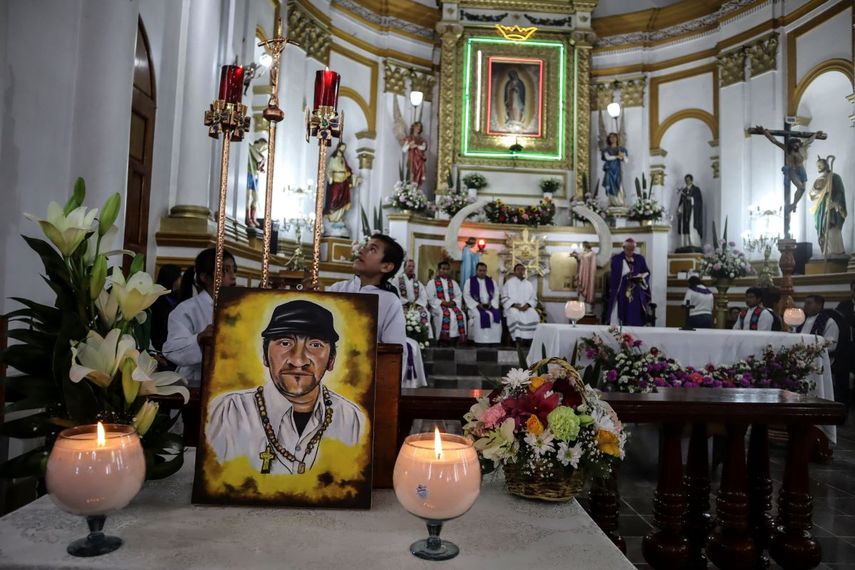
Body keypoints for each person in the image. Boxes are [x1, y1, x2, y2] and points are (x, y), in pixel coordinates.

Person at [206, 300, 367, 474]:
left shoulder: (352, 419)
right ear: (266, 356)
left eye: (315, 345)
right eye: (284, 343)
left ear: (331, 360)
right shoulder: (227, 412)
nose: (298, 361)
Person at [163, 248, 237, 386]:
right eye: (225, 270)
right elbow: (171, 349)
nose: (233, 277)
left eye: (234, 270)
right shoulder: (187, 309)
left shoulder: (238, 308)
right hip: (195, 382)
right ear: (205, 277)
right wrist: (198, 339)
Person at [327, 234, 406, 347]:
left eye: (372, 249)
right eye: (365, 246)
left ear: (386, 267)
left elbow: (394, 349)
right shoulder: (338, 288)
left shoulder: (390, 301)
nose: (361, 250)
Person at [758, 126, 823, 214]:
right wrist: (764, 132)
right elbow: (774, 141)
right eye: (795, 144)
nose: (797, 145)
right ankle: (793, 205)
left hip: (802, 169)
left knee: (803, 190)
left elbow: (809, 141)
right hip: (793, 170)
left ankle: (793, 204)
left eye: (797, 143)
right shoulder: (787, 150)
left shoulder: (801, 147)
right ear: (791, 144)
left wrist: (815, 134)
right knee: (800, 187)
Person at [797, 294, 848, 404]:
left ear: (819, 305)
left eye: (809, 303)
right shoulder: (801, 320)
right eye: (805, 303)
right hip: (800, 358)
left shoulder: (829, 322)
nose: (805, 306)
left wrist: (809, 349)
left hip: (819, 360)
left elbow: (830, 345)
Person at [809, 155, 847, 257]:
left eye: (820, 165)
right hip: (820, 210)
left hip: (831, 208)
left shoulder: (835, 177)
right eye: (817, 165)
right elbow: (811, 195)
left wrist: (834, 203)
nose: (819, 167)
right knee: (822, 231)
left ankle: (835, 251)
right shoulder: (818, 180)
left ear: (826, 165)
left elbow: (840, 192)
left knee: (830, 228)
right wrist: (817, 193)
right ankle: (826, 253)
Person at [607, 238, 650, 327]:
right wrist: (625, 272)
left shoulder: (640, 258)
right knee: (622, 312)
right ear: (623, 247)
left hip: (636, 291)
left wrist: (641, 277)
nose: (630, 251)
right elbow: (615, 275)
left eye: (632, 249)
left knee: (635, 314)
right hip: (622, 290)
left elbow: (646, 272)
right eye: (628, 249)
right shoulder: (617, 259)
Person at [426, 261, 466, 345]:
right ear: (438, 270)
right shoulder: (432, 283)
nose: (445, 271)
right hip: (439, 306)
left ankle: (456, 339)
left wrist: (454, 302)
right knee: (444, 314)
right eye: (443, 269)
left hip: (452, 306)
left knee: (461, 314)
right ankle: (443, 339)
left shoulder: (453, 283)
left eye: (447, 269)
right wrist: (442, 303)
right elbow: (430, 297)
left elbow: (458, 295)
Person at [463, 262, 502, 345]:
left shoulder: (491, 281)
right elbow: (466, 295)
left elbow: (496, 294)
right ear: (476, 271)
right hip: (475, 306)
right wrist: (477, 304)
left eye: (484, 270)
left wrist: (491, 304)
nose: (482, 272)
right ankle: (479, 340)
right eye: (480, 270)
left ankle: (494, 340)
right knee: (478, 315)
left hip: (490, 305)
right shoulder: (469, 281)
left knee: (496, 315)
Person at [324, 142, 357, 235]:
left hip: (343, 182)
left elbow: (348, 169)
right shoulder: (333, 158)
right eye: (341, 148)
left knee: (342, 200)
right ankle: (332, 218)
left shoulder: (343, 159)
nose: (342, 150)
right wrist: (330, 177)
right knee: (334, 199)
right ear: (338, 148)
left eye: (344, 148)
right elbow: (329, 169)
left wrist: (349, 175)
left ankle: (338, 219)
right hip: (336, 181)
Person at [502, 263, 540, 342]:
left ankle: (530, 339)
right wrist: (514, 305)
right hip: (513, 307)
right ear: (514, 271)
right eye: (518, 269)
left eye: (522, 269)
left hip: (526, 307)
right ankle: (517, 338)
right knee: (515, 316)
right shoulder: (509, 283)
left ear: (524, 271)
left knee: (534, 315)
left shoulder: (529, 284)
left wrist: (528, 305)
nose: (520, 271)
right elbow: (504, 297)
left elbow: (534, 298)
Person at [395, 259, 432, 339]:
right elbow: (396, 294)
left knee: (425, 314)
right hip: (402, 305)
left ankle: (422, 338)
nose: (411, 268)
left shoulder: (417, 282)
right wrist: (406, 302)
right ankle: (403, 337)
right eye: (409, 266)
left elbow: (423, 295)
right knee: (401, 315)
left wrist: (417, 304)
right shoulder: (397, 280)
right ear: (404, 267)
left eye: (413, 266)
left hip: (416, 305)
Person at [150, 264, 183, 352]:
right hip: (160, 346)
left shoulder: (178, 296)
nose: (181, 280)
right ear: (172, 279)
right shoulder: (157, 299)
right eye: (179, 277)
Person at [601, 132, 628, 207]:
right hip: (609, 169)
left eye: (614, 137)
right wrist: (617, 156)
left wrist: (622, 156)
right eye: (611, 137)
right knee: (610, 185)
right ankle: (612, 202)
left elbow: (626, 161)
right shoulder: (606, 149)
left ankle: (620, 202)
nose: (612, 139)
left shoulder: (621, 149)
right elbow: (607, 158)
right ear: (608, 139)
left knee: (618, 184)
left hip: (617, 170)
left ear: (617, 138)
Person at [676, 174, 703, 250]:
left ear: (691, 180)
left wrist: (691, 199)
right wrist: (679, 209)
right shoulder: (683, 190)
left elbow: (699, 202)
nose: (687, 181)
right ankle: (685, 244)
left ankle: (694, 243)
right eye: (686, 180)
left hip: (693, 213)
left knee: (691, 227)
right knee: (685, 227)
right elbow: (681, 202)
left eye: (688, 180)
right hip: (685, 213)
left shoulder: (696, 189)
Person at [246, 138, 267, 228]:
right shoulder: (250, 148)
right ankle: (248, 218)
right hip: (249, 174)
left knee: (256, 198)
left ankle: (253, 217)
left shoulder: (258, 153)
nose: (264, 149)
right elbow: (257, 158)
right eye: (264, 146)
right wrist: (251, 148)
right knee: (249, 197)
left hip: (256, 176)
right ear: (260, 143)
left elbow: (259, 160)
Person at [402, 121, 427, 188]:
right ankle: (411, 190)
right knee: (411, 176)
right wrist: (409, 145)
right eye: (417, 126)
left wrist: (416, 145)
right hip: (412, 160)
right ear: (413, 127)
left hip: (419, 160)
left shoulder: (422, 140)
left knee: (419, 177)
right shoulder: (409, 138)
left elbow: (423, 147)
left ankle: (416, 190)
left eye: (420, 127)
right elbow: (404, 149)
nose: (418, 128)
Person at [576, 241, 597, 310]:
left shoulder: (592, 254)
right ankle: (581, 309)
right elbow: (579, 259)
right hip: (582, 273)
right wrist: (576, 256)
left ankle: (588, 308)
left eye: (584, 246)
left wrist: (591, 275)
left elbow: (593, 266)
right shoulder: (582, 253)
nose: (583, 247)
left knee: (589, 287)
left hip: (588, 274)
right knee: (581, 287)